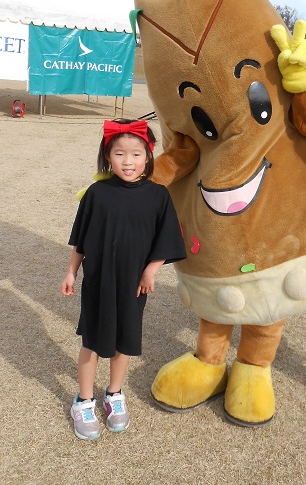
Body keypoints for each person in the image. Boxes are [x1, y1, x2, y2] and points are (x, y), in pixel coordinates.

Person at [61, 119, 186, 440]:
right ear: (107, 156)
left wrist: (151, 270)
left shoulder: (158, 196)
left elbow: (167, 237)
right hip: (97, 283)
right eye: (119, 154)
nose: (127, 162)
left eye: (135, 154)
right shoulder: (96, 193)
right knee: (91, 340)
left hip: (133, 284)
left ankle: (114, 394)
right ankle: (84, 400)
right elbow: (81, 240)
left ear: (148, 156)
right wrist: (72, 271)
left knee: (125, 340)